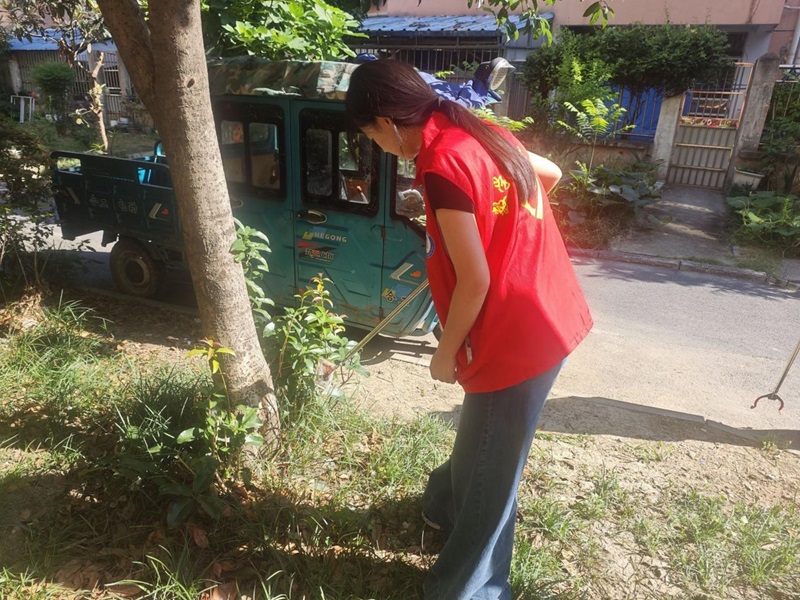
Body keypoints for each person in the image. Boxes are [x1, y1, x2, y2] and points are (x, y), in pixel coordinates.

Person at [346, 59, 593, 600]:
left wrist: (444, 355)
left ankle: (471, 589)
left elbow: (475, 281)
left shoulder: (442, 164)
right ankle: (443, 504)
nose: (379, 148)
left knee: (494, 474)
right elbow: (550, 174)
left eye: (373, 137)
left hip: (515, 334)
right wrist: (504, 229)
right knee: (487, 439)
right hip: (548, 309)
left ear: (387, 123)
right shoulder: (481, 131)